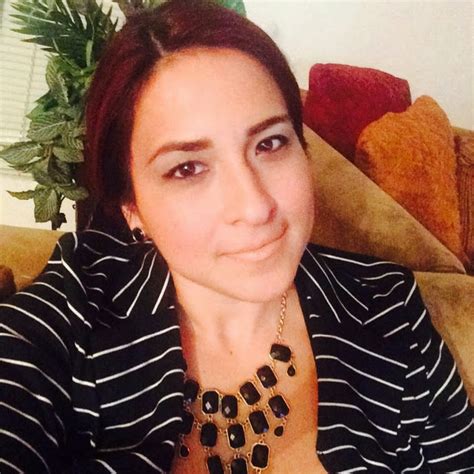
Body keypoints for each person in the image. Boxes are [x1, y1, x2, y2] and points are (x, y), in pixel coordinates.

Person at [1, 1, 473, 472]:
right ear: (132, 207)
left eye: (270, 143)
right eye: (187, 168)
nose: (255, 206)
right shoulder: (67, 322)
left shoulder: (388, 309)